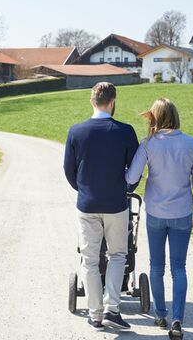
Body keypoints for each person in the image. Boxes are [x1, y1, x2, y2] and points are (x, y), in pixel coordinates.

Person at [125, 98, 193, 340]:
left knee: (156, 267)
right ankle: (177, 319)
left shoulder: (149, 144)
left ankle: (160, 314)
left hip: (156, 213)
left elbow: (131, 178)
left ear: (155, 117)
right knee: (179, 268)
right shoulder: (192, 143)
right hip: (182, 213)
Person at [63, 82, 139, 331]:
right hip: (116, 203)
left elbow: (69, 171)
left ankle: (95, 315)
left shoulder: (76, 131)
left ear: (91, 101)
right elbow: (135, 171)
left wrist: (84, 190)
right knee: (118, 255)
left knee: (90, 258)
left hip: (87, 204)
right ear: (113, 102)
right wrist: (126, 189)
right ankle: (112, 310)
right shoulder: (126, 131)